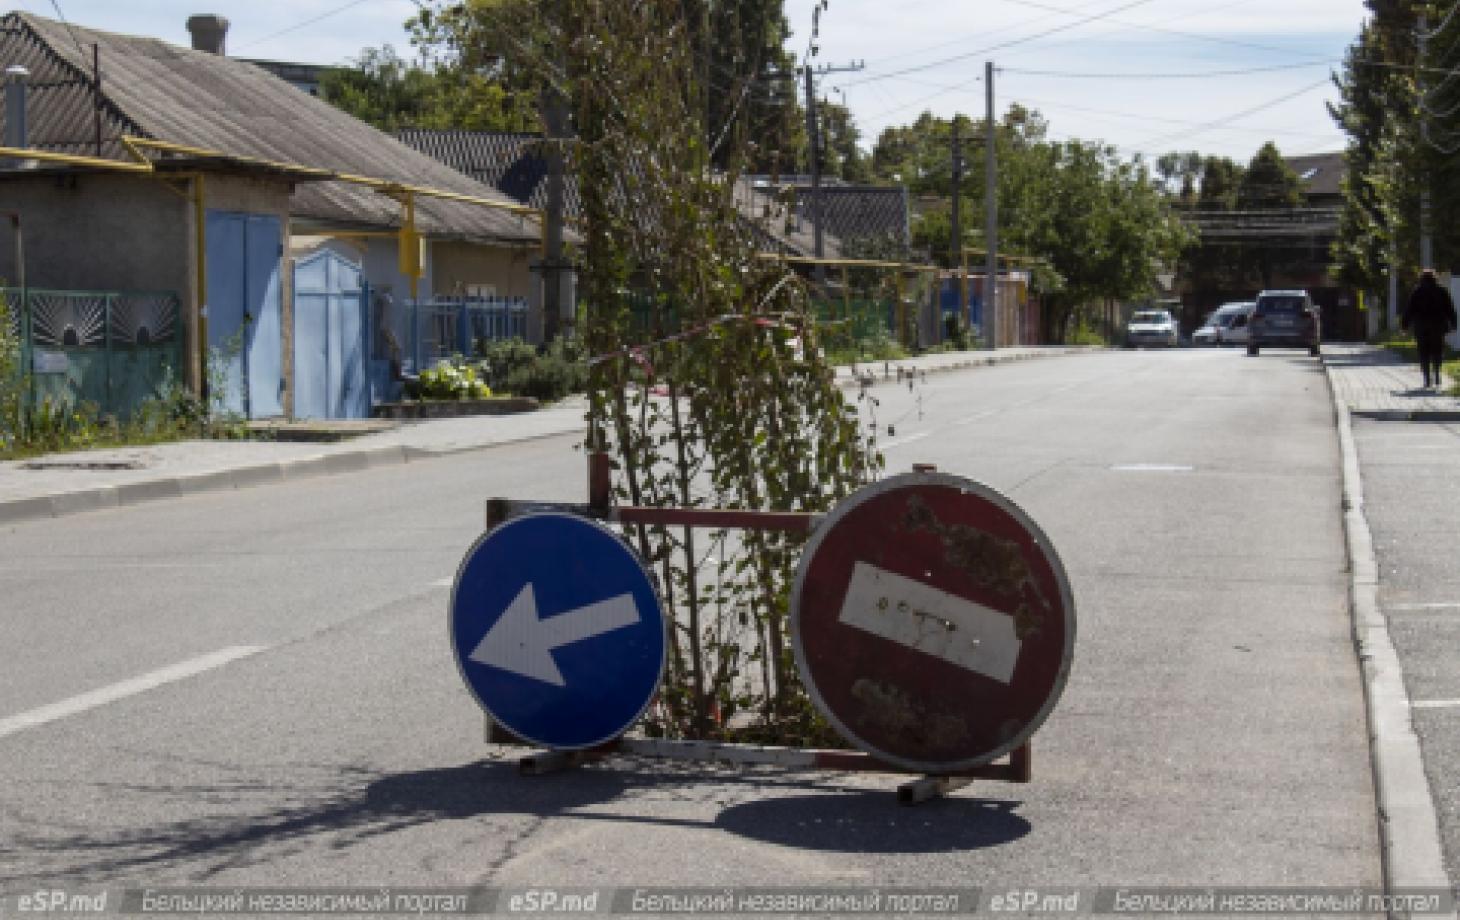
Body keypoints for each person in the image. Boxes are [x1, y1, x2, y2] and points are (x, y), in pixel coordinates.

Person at [1402, 269, 1459, 389]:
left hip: (1421, 326)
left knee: (1423, 351)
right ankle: (1437, 373)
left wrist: (1404, 326)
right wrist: (1454, 324)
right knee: (1437, 349)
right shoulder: (1441, 291)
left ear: (1421, 279)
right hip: (1438, 325)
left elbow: (1409, 310)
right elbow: (1450, 308)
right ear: (1435, 278)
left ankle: (1427, 378)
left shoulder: (1417, 291)